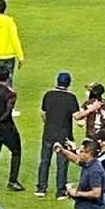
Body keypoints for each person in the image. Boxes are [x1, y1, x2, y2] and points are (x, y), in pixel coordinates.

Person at [36, 71, 80, 199]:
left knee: (45, 160)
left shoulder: (48, 95)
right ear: (69, 83)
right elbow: (76, 116)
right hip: (64, 134)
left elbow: (43, 113)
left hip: (49, 132)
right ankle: (60, 191)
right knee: (62, 162)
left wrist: (48, 123)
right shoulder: (71, 98)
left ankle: (41, 188)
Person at [0, 66, 24, 191]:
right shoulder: (10, 93)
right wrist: (0, 120)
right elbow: (8, 111)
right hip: (7, 127)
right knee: (16, 151)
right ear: (9, 77)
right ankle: (13, 181)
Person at [56, 139, 105, 209]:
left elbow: (96, 193)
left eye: (81, 151)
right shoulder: (88, 164)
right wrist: (62, 150)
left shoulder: (94, 170)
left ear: (89, 153)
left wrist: (76, 193)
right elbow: (75, 159)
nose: (79, 153)